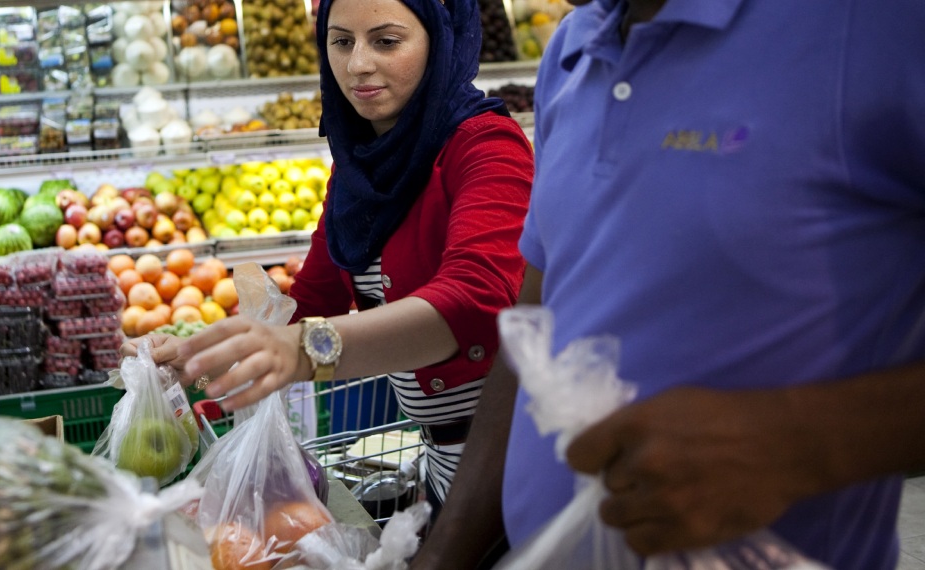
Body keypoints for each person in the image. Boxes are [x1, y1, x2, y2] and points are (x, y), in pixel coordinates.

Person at [412, 0, 925, 568]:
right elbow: (533, 331)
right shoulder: (574, 43)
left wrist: (796, 440)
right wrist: (446, 548)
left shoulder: (882, 25)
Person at [133, 0, 535, 511]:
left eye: (386, 41)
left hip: (520, 454)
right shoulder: (359, 170)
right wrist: (196, 356)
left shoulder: (486, 146)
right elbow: (309, 301)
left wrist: (304, 352)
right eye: (341, 41)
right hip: (445, 460)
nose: (357, 64)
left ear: (441, 41)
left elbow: (475, 299)